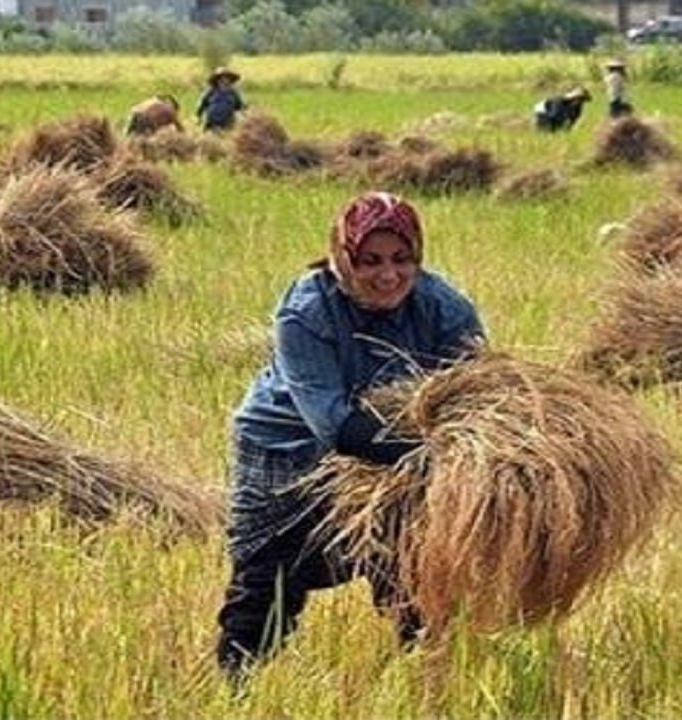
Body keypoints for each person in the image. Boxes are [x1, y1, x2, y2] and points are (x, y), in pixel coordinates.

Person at [216, 190, 486, 683]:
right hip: (287, 447)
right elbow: (332, 423)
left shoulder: (443, 307)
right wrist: (432, 456)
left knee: (413, 562)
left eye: (402, 259)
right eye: (370, 261)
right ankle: (237, 687)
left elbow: (478, 393)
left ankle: (421, 681)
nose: (389, 275)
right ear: (343, 258)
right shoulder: (307, 310)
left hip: (397, 447)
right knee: (268, 577)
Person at [197, 67, 247, 133]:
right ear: (217, 80)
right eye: (222, 78)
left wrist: (245, 116)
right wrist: (199, 117)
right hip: (211, 124)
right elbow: (201, 105)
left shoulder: (233, 93)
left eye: (227, 78)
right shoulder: (210, 91)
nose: (225, 80)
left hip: (228, 125)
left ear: (230, 80)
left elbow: (240, 106)